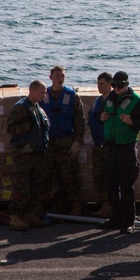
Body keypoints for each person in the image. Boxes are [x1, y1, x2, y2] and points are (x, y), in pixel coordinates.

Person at [101, 70, 140, 234]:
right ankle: (116, 218)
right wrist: (101, 117)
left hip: (127, 147)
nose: (117, 88)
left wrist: (132, 121)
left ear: (127, 84)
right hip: (112, 146)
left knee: (126, 186)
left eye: (121, 85)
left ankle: (128, 221)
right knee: (111, 184)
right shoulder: (110, 98)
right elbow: (97, 116)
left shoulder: (136, 101)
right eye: (115, 85)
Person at [7, 80, 51, 231]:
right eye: (42, 92)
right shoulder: (21, 108)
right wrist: (28, 125)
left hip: (37, 154)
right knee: (21, 186)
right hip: (24, 154)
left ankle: (29, 214)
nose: (45, 95)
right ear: (32, 91)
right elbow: (10, 129)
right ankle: (16, 216)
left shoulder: (37, 108)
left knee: (35, 185)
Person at [40, 65, 84, 215]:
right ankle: (47, 206)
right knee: (47, 176)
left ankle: (76, 206)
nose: (60, 79)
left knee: (70, 175)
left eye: (62, 76)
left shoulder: (72, 96)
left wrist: (77, 142)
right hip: (48, 143)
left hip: (66, 141)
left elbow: (79, 121)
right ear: (50, 77)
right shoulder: (43, 95)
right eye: (57, 76)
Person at [87, 72, 114, 218]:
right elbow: (91, 118)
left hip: (108, 144)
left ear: (110, 84)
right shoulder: (98, 101)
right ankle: (105, 204)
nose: (99, 87)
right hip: (98, 144)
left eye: (102, 84)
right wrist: (98, 117)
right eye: (98, 84)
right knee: (98, 175)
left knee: (109, 176)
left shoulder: (114, 100)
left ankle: (111, 205)